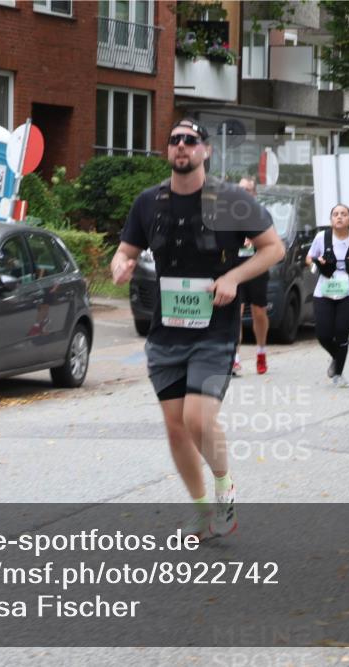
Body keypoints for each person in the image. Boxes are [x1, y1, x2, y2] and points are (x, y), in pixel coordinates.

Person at [110, 120, 284, 539]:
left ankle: (224, 489)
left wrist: (234, 278)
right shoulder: (148, 202)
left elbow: (273, 247)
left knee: (197, 419)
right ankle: (201, 508)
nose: (181, 147)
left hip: (215, 330)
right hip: (166, 333)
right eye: (174, 141)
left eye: (190, 141)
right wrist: (120, 265)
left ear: (205, 150)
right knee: (176, 426)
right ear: (168, 150)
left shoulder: (231, 200)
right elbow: (125, 250)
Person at [305, 203, 349, 388]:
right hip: (325, 288)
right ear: (331, 219)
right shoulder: (322, 237)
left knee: (342, 331)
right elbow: (309, 258)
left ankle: (339, 373)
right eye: (335, 214)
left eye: (343, 214)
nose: (339, 217)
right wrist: (318, 262)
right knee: (323, 334)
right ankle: (337, 356)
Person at [232, 176, 271, 376]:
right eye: (241, 189)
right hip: (235, 269)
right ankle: (235, 358)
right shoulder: (228, 215)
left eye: (248, 190)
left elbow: (271, 244)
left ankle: (261, 351)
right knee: (234, 313)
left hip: (257, 267)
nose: (244, 193)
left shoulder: (261, 215)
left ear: (254, 194)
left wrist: (255, 242)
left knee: (258, 312)